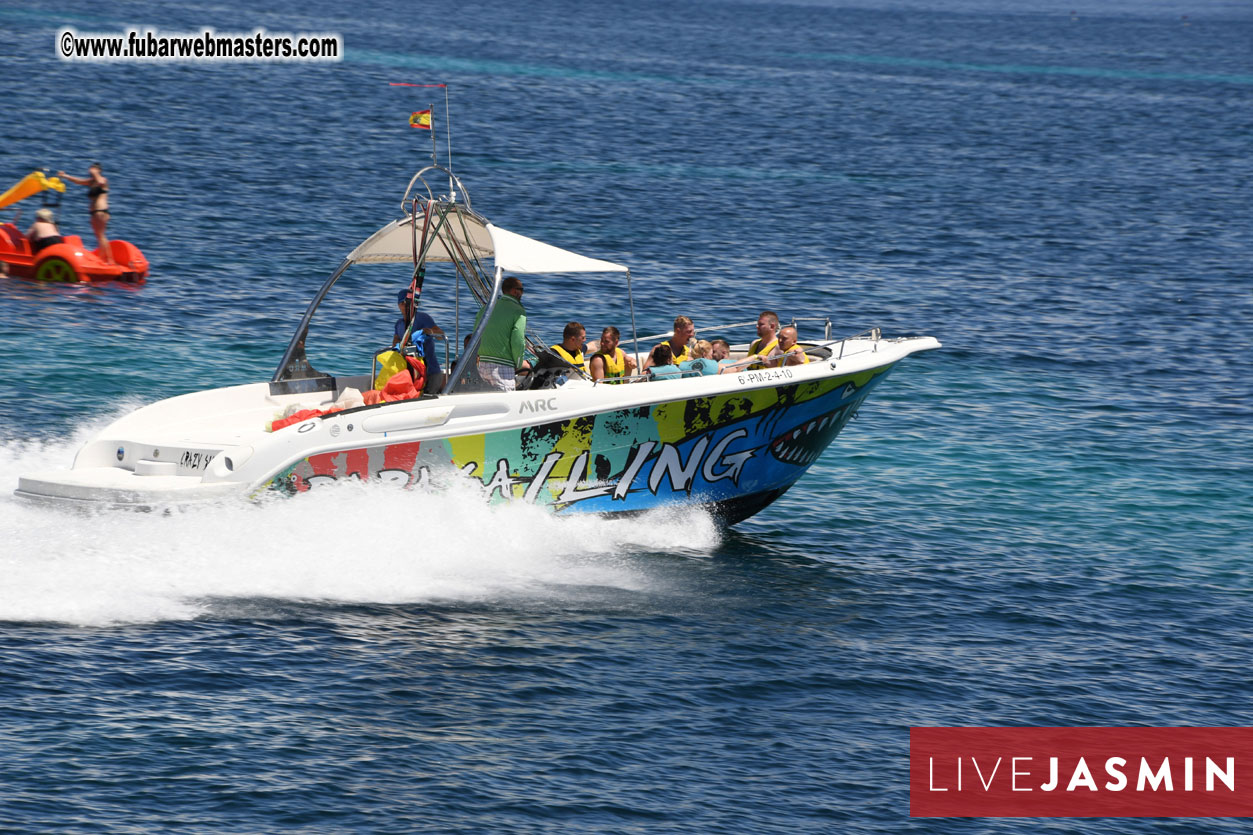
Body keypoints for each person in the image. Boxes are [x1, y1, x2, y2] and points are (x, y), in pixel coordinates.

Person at [473, 275, 527, 391]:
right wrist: (518, 362)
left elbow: (475, 334)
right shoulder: (518, 311)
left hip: (482, 364)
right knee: (507, 402)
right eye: (521, 290)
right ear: (514, 291)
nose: (522, 293)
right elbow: (518, 340)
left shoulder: (486, 308)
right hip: (502, 367)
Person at [393, 288, 446, 391]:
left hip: (430, 372)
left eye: (408, 302)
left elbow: (441, 335)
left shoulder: (422, 318)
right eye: (402, 303)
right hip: (410, 373)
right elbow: (395, 343)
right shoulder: (399, 324)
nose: (406, 305)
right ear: (399, 305)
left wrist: (427, 331)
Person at [57, 162, 112, 263]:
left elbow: (100, 182)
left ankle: (109, 260)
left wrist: (95, 172)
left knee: (101, 235)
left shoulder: (103, 180)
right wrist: (65, 176)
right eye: (91, 168)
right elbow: (78, 181)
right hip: (95, 212)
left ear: (99, 170)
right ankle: (102, 257)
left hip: (101, 211)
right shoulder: (91, 182)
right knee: (98, 235)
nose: (91, 170)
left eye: (94, 168)